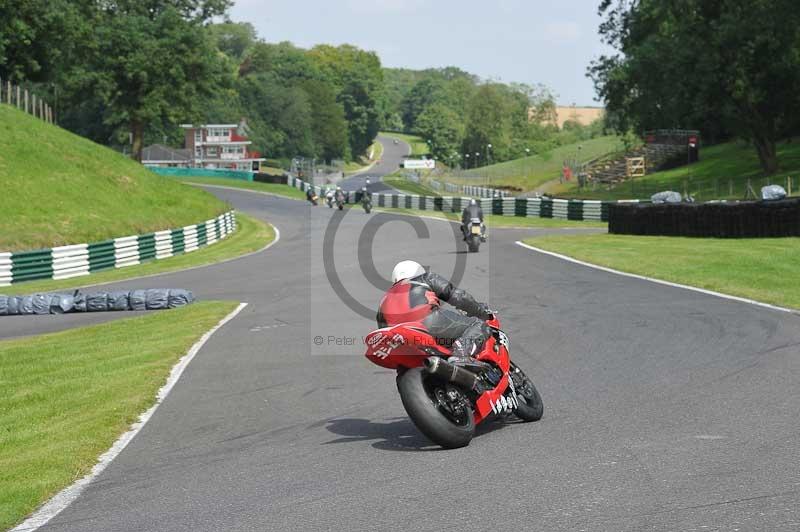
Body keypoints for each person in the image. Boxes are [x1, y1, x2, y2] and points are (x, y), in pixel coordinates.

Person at [376, 260, 493, 365]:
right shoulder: (424, 278)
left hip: (399, 337)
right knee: (478, 325)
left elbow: (383, 328)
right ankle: (462, 353)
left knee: (404, 364)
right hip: (428, 322)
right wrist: (479, 311)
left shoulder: (384, 299)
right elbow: (458, 297)